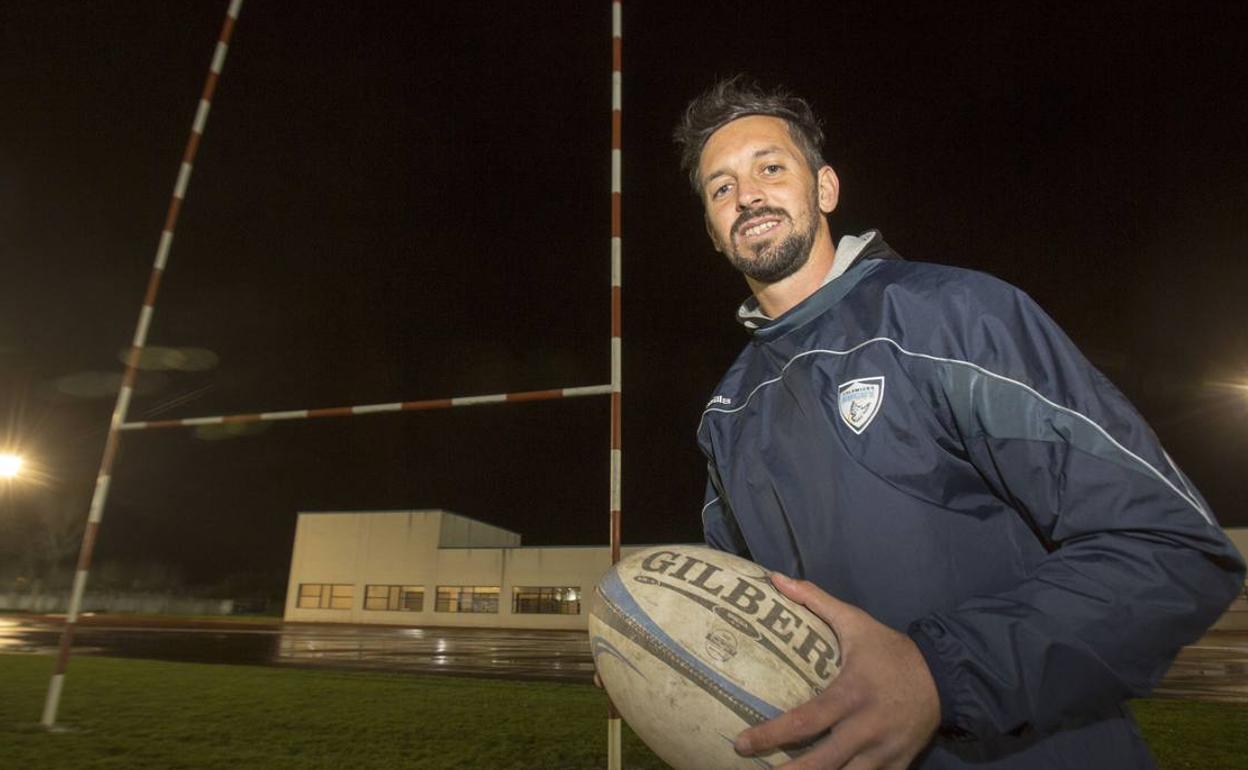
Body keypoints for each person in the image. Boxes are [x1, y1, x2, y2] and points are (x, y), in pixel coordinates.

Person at [674, 76, 1245, 770]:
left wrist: (940, 675)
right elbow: (748, 629)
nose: (749, 195)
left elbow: (1172, 548)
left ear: (825, 188)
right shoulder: (728, 416)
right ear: (710, 228)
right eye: (722, 187)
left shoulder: (954, 317)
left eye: (771, 166)